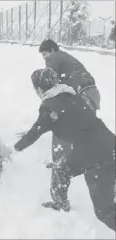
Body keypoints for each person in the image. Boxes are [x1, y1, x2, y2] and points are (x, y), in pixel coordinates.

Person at [13, 68, 115, 231]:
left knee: (106, 212)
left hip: (98, 157)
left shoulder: (49, 106)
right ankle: (60, 203)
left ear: (39, 89)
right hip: (106, 145)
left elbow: (36, 131)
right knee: (62, 169)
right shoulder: (70, 96)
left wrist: (14, 148)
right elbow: (51, 123)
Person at [38, 39, 101, 210]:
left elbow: (49, 81)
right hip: (91, 97)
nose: (44, 59)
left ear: (50, 50)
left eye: (45, 54)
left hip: (77, 100)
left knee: (60, 146)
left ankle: (60, 199)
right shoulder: (69, 59)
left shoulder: (54, 58)